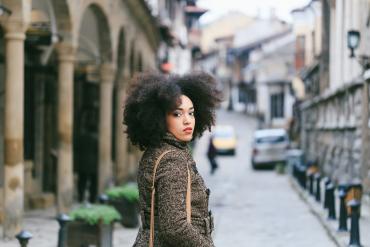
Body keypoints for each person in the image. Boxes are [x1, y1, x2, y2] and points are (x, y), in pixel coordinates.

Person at [124, 72, 221, 247]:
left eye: (191, 113)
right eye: (177, 114)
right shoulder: (172, 160)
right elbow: (175, 227)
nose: (187, 121)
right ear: (160, 118)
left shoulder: (159, 150)